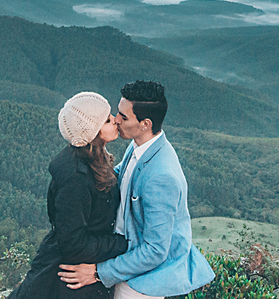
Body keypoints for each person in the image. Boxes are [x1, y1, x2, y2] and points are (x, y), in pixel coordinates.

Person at [59, 81, 214, 299]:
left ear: (145, 124)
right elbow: (120, 176)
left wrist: (97, 272)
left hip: (140, 283)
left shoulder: (161, 176)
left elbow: (155, 251)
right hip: (123, 259)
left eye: (124, 117)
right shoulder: (139, 146)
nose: (116, 120)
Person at [9, 91, 129, 299]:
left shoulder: (95, 159)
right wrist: (121, 244)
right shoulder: (75, 177)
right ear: (92, 132)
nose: (115, 120)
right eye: (106, 120)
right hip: (66, 280)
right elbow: (73, 243)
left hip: (77, 274)